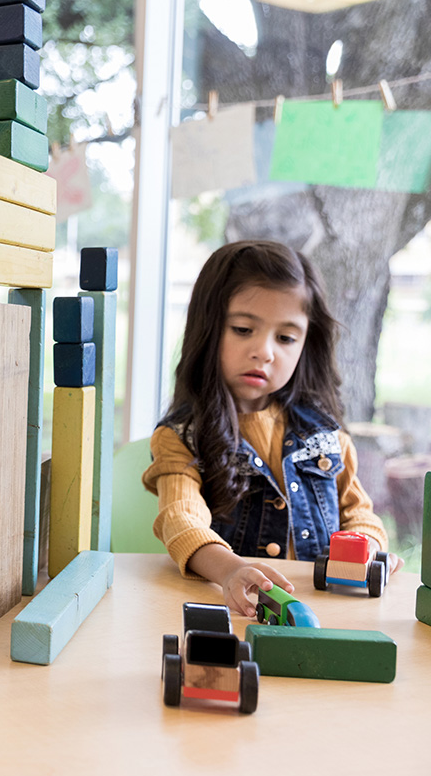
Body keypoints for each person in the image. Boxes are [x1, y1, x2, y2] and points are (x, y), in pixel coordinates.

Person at [143, 240, 402, 617]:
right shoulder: (181, 438)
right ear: (209, 329)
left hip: (329, 612)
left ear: (305, 344)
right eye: (244, 328)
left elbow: (359, 513)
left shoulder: (326, 436)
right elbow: (180, 517)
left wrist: (366, 548)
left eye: (285, 338)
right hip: (239, 612)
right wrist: (231, 570)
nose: (264, 351)